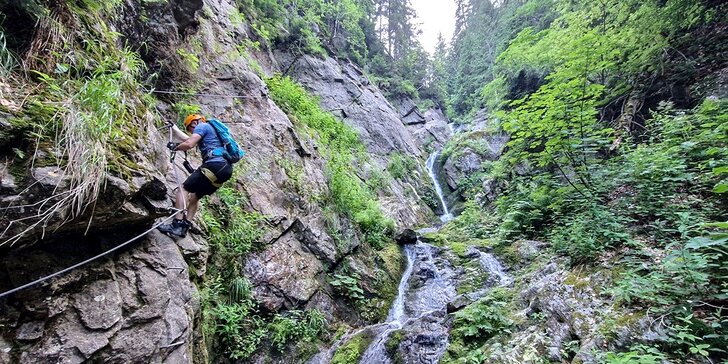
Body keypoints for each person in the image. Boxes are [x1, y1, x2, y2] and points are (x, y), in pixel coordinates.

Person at [158, 114, 234, 238]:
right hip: (225, 170)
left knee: (183, 189)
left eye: (190, 129)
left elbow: (189, 144)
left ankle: (176, 224)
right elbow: (188, 139)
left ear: (194, 123)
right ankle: (184, 228)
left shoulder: (202, 126)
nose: (191, 132)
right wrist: (174, 128)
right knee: (195, 197)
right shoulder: (212, 133)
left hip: (214, 164)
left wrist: (175, 147)